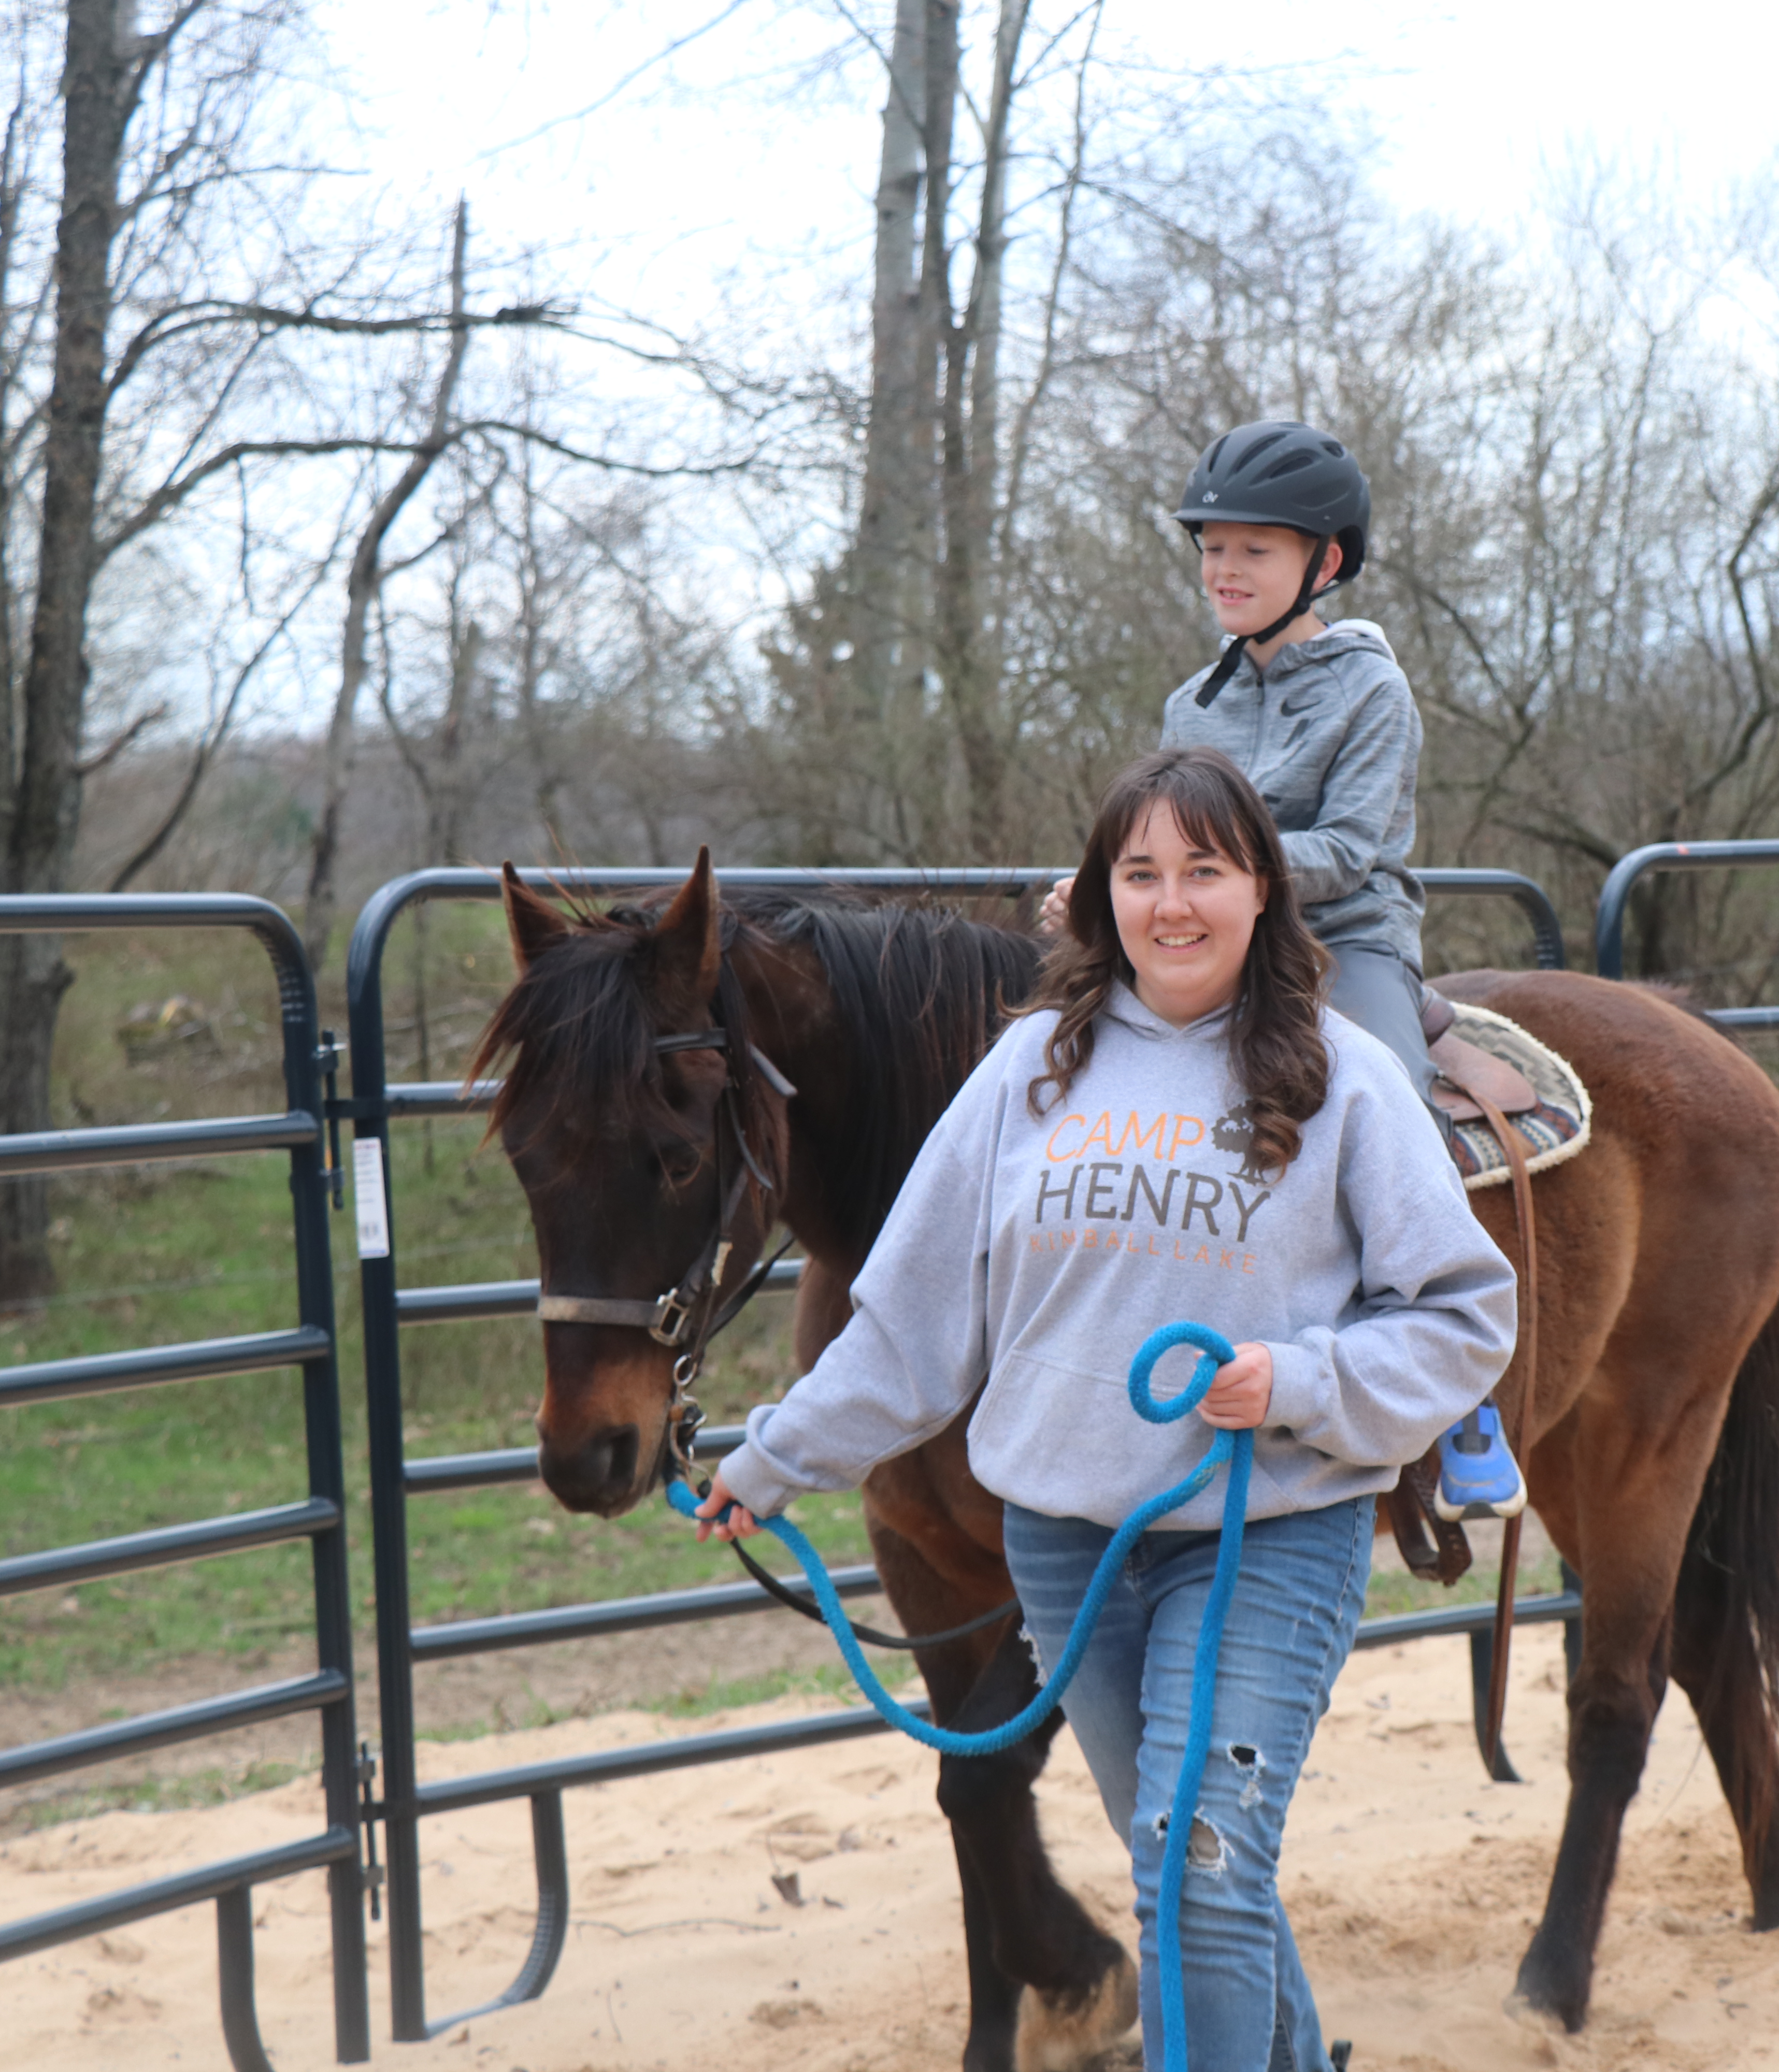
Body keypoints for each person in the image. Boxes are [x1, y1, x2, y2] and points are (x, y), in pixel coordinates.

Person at [698, 746, 1517, 2072]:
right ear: (1101, 895)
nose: (1172, 902)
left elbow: (1465, 1309)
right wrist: (776, 1457)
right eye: (1141, 873)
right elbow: (908, 1320)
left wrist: (1304, 1381)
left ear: (1261, 891)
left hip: (1264, 1531)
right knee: (1193, 1868)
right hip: (1070, 1548)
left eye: (1206, 869)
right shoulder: (1029, 1072)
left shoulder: (1347, 1075)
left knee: (1196, 1869)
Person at [1044, 417, 1523, 1519]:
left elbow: (1353, 850)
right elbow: (1162, 838)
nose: (1224, 568)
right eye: (1212, 547)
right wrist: (1106, 885)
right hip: (1205, 938)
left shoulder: (1373, 693)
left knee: (1394, 1097)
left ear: (1326, 562)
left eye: (1253, 549)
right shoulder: (1192, 704)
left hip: (1342, 937)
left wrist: (1212, 877)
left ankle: (1459, 1403)